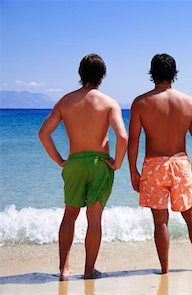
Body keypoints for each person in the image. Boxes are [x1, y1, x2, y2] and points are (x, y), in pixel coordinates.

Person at [38, 53, 128, 280]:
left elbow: (43, 133)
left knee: (70, 215)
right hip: (99, 164)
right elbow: (122, 137)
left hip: (75, 163)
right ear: (102, 76)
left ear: (80, 74)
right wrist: (116, 163)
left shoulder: (65, 102)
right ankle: (89, 270)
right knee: (94, 218)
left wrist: (59, 160)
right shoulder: (109, 103)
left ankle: (64, 270)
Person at [128, 53, 192, 274]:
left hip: (153, 166)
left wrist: (132, 170)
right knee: (191, 215)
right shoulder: (190, 103)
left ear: (152, 73)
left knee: (160, 221)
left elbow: (133, 141)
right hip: (180, 163)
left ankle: (164, 269)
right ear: (174, 73)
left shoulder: (141, 103)